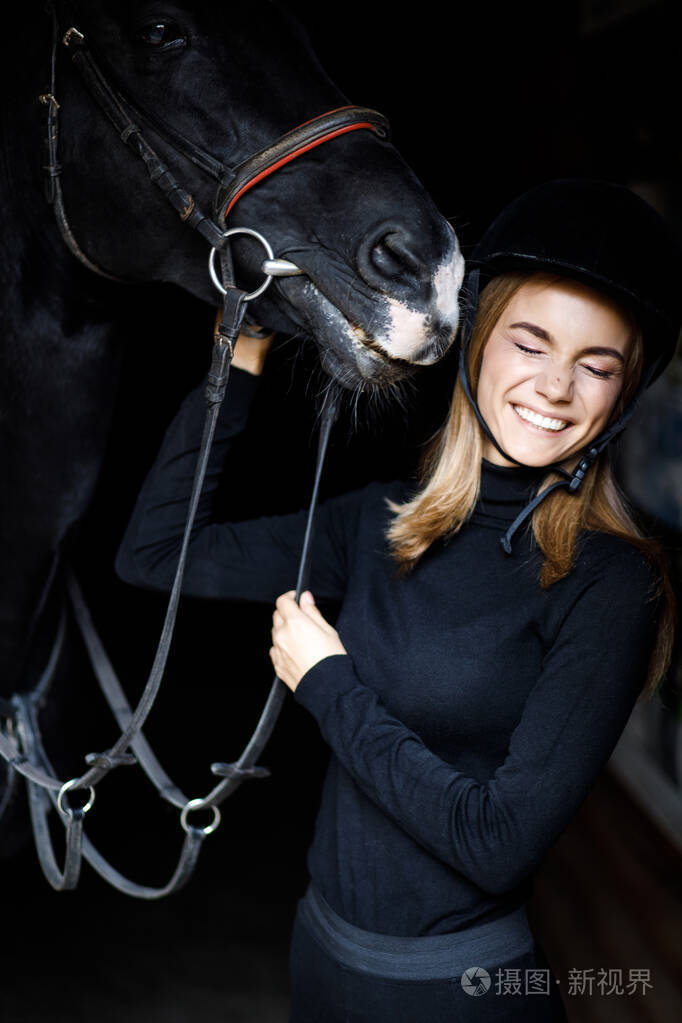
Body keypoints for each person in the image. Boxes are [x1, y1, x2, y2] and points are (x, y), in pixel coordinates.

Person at [115, 179, 682, 1022]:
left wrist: (329, 683)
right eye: (531, 344)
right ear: (478, 346)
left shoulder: (607, 583)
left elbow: (496, 844)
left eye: (596, 366)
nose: (557, 387)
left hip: (459, 992)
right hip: (321, 953)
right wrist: (238, 359)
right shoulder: (381, 523)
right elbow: (158, 552)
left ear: (620, 399)